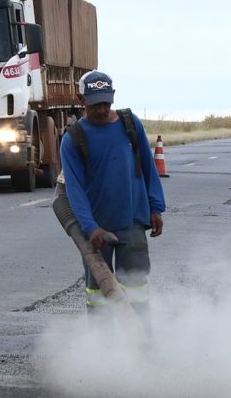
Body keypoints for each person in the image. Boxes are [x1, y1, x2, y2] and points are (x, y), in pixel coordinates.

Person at [59, 70, 166, 325]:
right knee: (98, 292)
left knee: (137, 287)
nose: (102, 109)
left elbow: (148, 167)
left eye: (107, 102)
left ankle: (143, 342)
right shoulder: (74, 139)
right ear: (81, 99)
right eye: (96, 104)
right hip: (97, 231)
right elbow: (74, 190)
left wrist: (156, 207)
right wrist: (90, 227)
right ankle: (102, 348)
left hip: (132, 223)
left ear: (114, 97)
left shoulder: (131, 125)